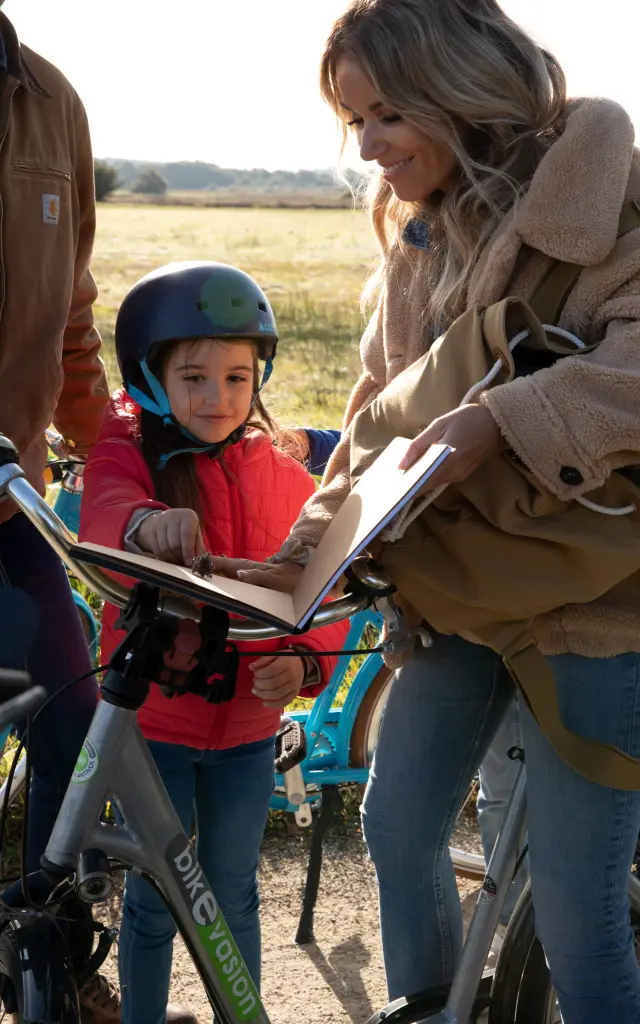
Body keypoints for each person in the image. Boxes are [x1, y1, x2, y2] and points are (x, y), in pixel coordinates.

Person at [212, 2, 640, 1020]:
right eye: (354, 121)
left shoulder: (605, 196)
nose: (367, 147)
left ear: (460, 89)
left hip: (596, 608)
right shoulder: (420, 234)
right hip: (458, 593)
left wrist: (504, 418)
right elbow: (378, 412)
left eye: (388, 114)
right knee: (397, 824)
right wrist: (305, 552)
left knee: (576, 912)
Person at [79, 261, 349, 1024]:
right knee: (154, 899)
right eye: (194, 377)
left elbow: (318, 586)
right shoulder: (129, 448)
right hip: (155, 728)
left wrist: (305, 660)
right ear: (151, 377)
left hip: (247, 734)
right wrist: (144, 524)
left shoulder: (279, 472)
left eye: (237, 378)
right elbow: (106, 508)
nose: (219, 398)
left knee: (233, 891)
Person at [0, 9, 118, 1020]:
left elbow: (71, 314)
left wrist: (125, 454)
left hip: (11, 503)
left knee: (75, 721)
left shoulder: (51, 102)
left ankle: (54, 966)